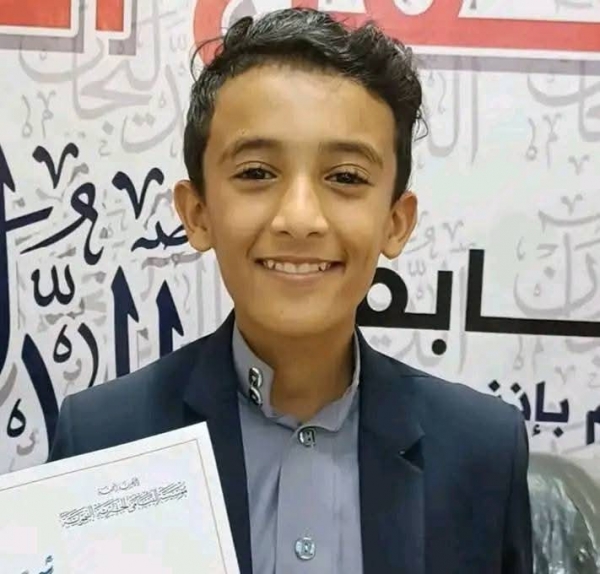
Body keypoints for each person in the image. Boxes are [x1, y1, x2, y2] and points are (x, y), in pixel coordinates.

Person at [49, 8, 532, 574]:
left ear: (395, 223)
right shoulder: (104, 439)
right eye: (257, 173)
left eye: (345, 177)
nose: (299, 219)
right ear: (197, 213)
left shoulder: (482, 450)